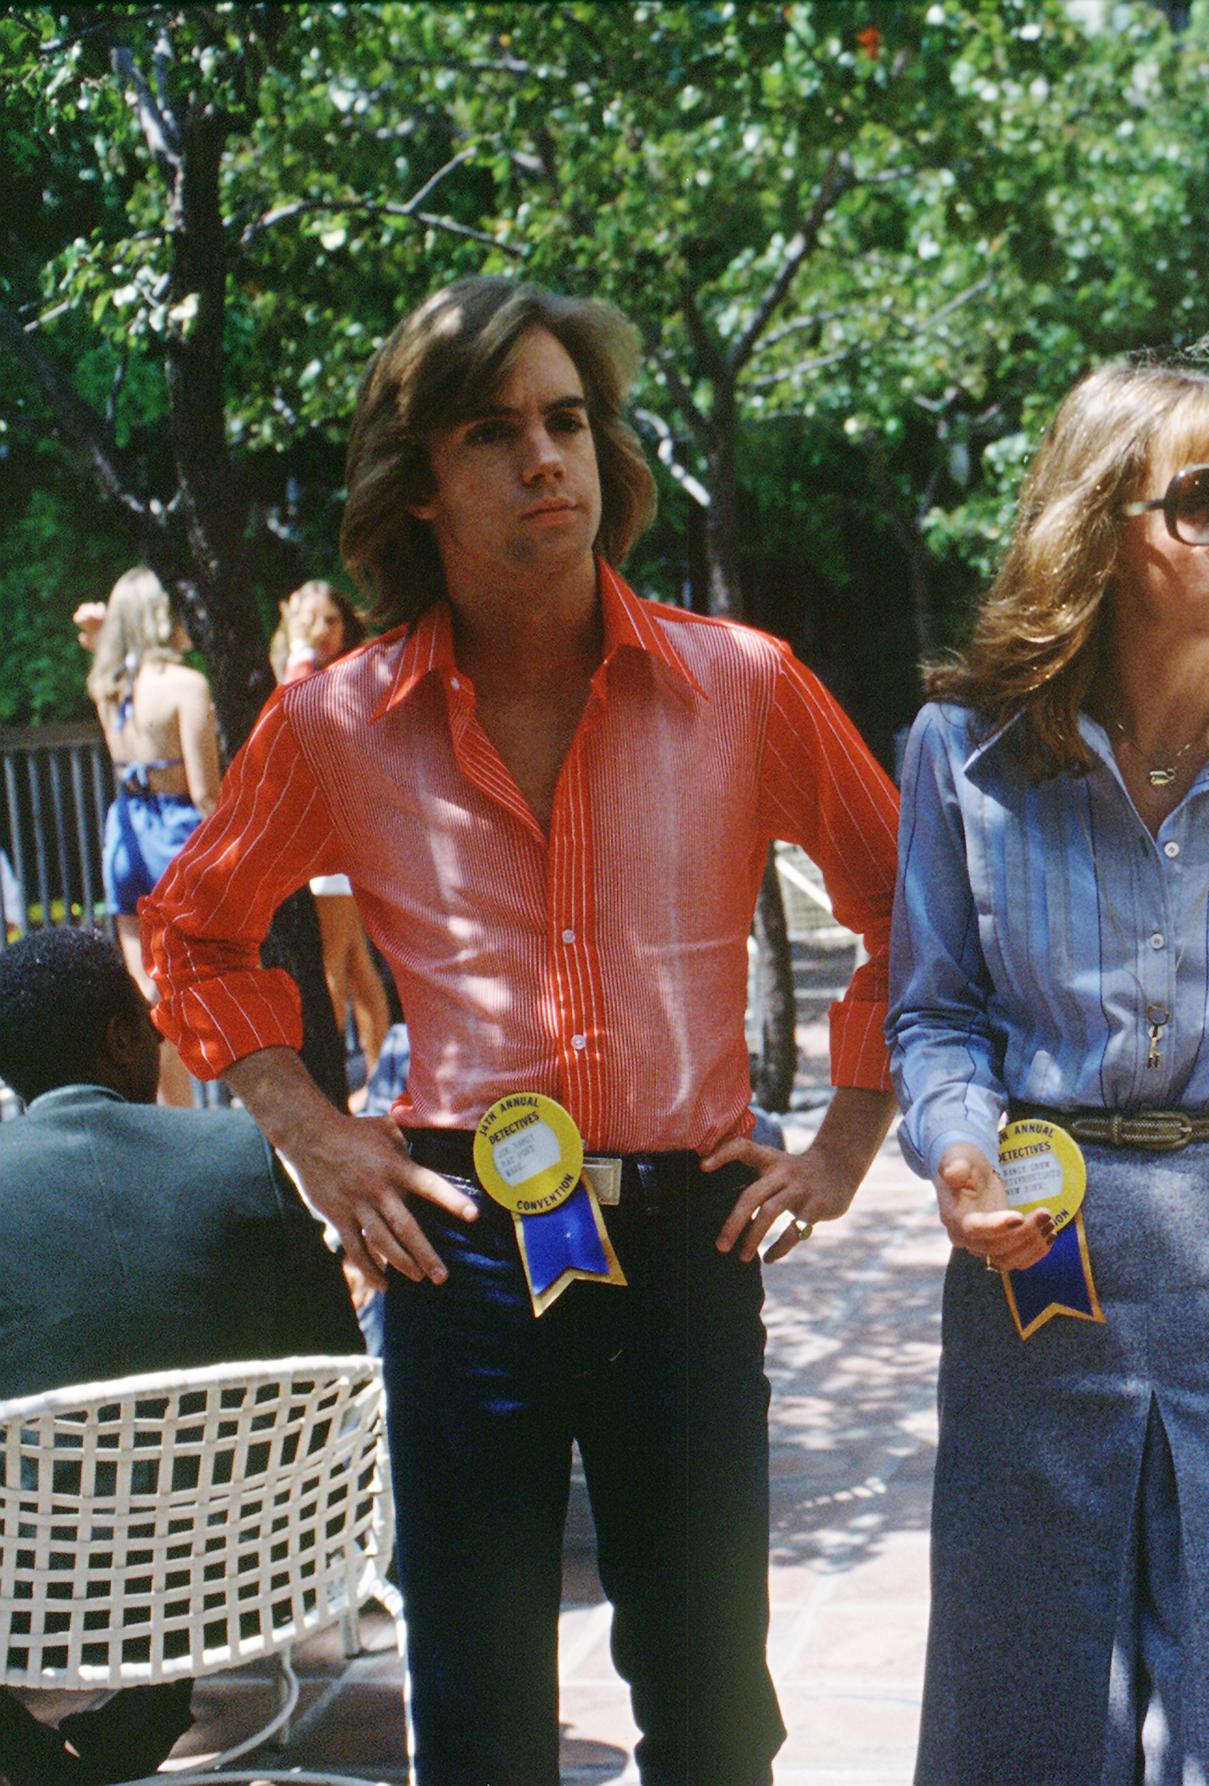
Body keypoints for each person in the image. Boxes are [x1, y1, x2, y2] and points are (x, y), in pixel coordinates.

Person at [142, 276, 903, 1786]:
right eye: (494, 432)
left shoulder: (739, 684)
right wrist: (313, 1129)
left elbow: (916, 909)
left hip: (690, 1244)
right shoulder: (335, 720)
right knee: (480, 1713)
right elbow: (190, 927)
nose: (547, 458)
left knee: (712, 1711)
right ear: (417, 483)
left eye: (568, 421)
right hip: (454, 1251)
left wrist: (842, 1147)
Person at [888, 350, 1209, 1784]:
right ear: (1101, 529)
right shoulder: (964, 754)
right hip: (1039, 1260)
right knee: (1024, 1727)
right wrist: (960, 1151)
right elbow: (934, 1017)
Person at [0, 924, 361, 1784]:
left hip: (30, 1603)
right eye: (144, 1016)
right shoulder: (238, 1156)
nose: (162, 1033)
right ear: (120, 1039)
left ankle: (28, 1755)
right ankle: (153, 1708)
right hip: (244, 1583)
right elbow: (335, 1374)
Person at [77, 567, 218, 1107]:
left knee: (148, 991)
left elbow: (107, 656)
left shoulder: (108, 689)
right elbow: (206, 794)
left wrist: (98, 636)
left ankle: (174, 1119)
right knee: (211, 984)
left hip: (126, 831)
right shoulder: (187, 686)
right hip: (179, 836)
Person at [270, 579, 392, 1093]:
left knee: (332, 967)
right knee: (358, 964)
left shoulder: (345, 672)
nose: (322, 630)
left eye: (332, 619)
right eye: (310, 619)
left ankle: (335, 1088)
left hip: (337, 834)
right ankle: (381, 1076)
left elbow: (296, 714)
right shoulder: (297, 667)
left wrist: (298, 650)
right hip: (325, 835)